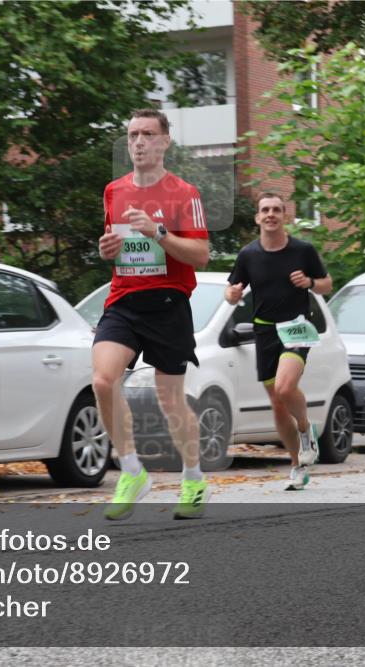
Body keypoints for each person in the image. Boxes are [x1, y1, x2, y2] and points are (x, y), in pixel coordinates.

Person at [93, 109, 210, 520]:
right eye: (132, 135)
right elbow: (115, 247)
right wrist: (106, 249)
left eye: (147, 134)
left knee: (170, 399)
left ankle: (193, 479)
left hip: (167, 304)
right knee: (103, 380)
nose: (138, 142)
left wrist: (158, 233)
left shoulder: (185, 194)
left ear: (164, 142)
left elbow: (201, 255)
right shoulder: (113, 191)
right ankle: (131, 471)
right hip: (124, 300)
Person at [225, 193, 332, 490]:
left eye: (276, 210)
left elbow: (326, 284)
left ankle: (305, 429)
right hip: (264, 331)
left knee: (285, 387)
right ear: (258, 217)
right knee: (277, 404)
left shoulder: (303, 251)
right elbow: (232, 291)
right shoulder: (248, 254)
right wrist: (232, 294)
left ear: (285, 216)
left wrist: (310, 283)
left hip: (296, 327)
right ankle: (297, 466)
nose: (270, 214)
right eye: (265, 210)